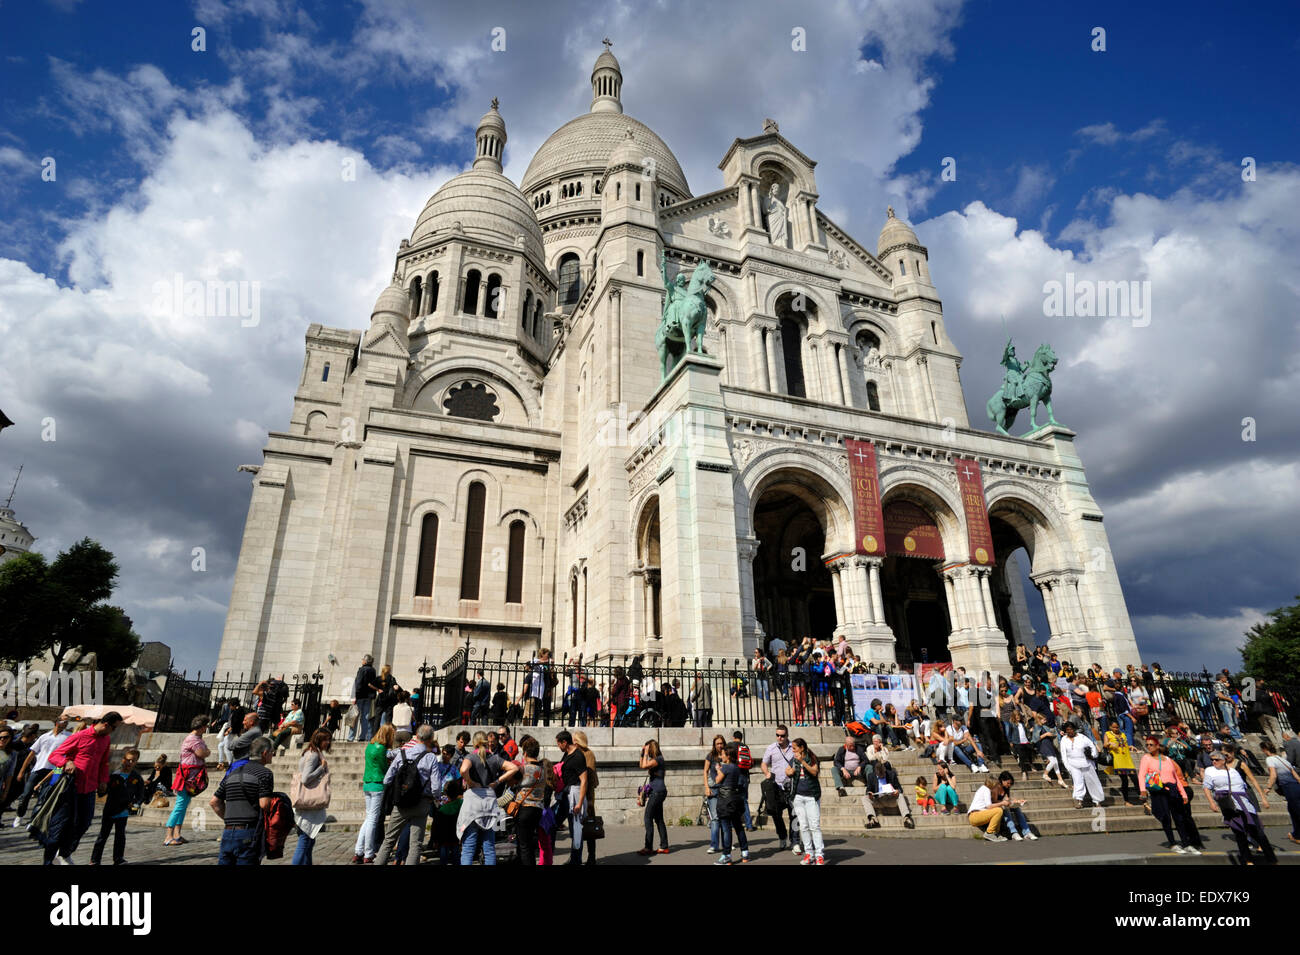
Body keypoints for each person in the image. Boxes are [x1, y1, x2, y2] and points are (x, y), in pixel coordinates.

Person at [39, 712, 122, 865]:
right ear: (106, 725)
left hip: (89, 789)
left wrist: (103, 780)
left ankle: (65, 852)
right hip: (71, 788)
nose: (114, 731)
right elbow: (55, 755)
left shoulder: (106, 739)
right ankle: (48, 860)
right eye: (114, 728)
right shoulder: (80, 736)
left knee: (84, 823)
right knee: (59, 826)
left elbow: (104, 763)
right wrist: (66, 762)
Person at [1203, 749, 1276, 864]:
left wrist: (1262, 798)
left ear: (1224, 760)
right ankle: (1247, 860)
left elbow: (1243, 786)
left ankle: (1271, 858)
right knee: (1239, 833)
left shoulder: (1233, 771)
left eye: (1217, 759)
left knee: (1258, 832)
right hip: (1228, 804)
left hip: (1244, 803)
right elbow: (1206, 787)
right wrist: (1212, 802)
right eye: (1212, 760)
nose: (1214, 761)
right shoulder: (1209, 771)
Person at [457, 731, 518, 866]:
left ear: (474, 743)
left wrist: (470, 782)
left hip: (473, 803)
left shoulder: (471, 757)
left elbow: (463, 770)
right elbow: (513, 768)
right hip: (490, 804)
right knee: (489, 848)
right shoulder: (495, 758)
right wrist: (497, 781)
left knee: (468, 848)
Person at [210, 736, 273, 865]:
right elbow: (264, 803)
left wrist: (229, 820)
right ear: (264, 753)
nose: (273, 754)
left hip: (228, 832)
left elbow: (214, 802)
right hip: (249, 833)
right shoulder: (265, 773)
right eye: (272, 752)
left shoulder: (233, 773)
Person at [1136, 736, 1198, 854]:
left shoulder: (1168, 760)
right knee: (1166, 818)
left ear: (1157, 746)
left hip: (1173, 790)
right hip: (1159, 790)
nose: (1148, 747)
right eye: (1147, 745)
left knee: (1179, 818)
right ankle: (1172, 843)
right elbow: (1142, 775)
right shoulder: (1146, 758)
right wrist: (1143, 790)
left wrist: (1183, 793)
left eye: (1151, 745)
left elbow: (1176, 778)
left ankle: (1186, 843)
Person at [9, 716, 71, 827]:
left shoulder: (68, 737)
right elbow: (31, 754)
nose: (66, 722)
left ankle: (33, 821)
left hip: (56, 770)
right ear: (57, 722)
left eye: (67, 721)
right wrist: (21, 771)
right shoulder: (44, 736)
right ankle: (20, 815)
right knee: (26, 794)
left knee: (45, 796)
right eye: (64, 720)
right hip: (39, 767)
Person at [351, 723, 396, 864]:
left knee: (368, 818)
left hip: (367, 783)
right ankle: (368, 852)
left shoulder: (370, 746)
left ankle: (359, 850)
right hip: (377, 784)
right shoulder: (382, 749)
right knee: (373, 820)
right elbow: (385, 768)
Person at [89, 748, 143, 866]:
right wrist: (101, 788)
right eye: (127, 760)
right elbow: (103, 792)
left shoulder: (137, 777)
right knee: (103, 836)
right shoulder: (114, 775)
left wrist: (135, 804)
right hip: (110, 809)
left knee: (120, 836)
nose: (129, 763)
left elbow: (140, 795)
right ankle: (95, 860)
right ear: (123, 760)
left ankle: (118, 859)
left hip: (123, 811)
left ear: (136, 762)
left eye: (132, 761)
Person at [165, 716, 209, 846]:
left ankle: (177, 834)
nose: (206, 728)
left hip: (191, 777)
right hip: (187, 778)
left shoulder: (196, 739)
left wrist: (205, 752)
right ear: (201, 727)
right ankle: (168, 836)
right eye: (206, 726)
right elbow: (201, 753)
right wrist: (207, 752)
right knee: (180, 806)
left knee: (183, 806)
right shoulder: (193, 740)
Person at [291, 730, 331, 865]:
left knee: (309, 841)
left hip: (308, 804)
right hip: (308, 804)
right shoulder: (314, 755)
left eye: (329, 739)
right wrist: (322, 768)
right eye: (326, 739)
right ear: (319, 740)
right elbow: (306, 778)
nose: (328, 742)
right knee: (304, 841)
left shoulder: (311, 752)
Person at [760, 725, 799, 851]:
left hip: (792, 786)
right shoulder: (771, 748)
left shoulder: (794, 747)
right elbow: (764, 763)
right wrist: (767, 773)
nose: (780, 738)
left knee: (794, 815)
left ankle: (795, 841)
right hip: (776, 786)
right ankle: (782, 837)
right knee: (776, 814)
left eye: (782, 735)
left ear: (787, 735)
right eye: (777, 735)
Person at [786, 737, 824, 865]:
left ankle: (819, 855)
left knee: (815, 826)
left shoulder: (811, 757)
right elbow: (787, 770)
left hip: (811, 796)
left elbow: (814, 772)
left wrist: (802, 761)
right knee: (803, 826)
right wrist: (789, 772)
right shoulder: (794, 759)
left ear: (802, 748)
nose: (793, 750)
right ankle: (809, 853)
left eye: (795, 748)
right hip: (798, 796)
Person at [712, 743, 750, 864]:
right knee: (738, 826)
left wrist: (718, 770)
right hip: (735, 798)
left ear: (728, 756)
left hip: (725, 800)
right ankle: (745, 852)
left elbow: (717, 780)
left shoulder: (726, 767)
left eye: (723, 754)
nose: (721, 756)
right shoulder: (736, 767)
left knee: (726, 828)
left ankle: (726, 855)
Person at [555, 730, 589, 865]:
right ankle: (575, 858)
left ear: (565, 742)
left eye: (559, 743)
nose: (558, 746)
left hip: (574, 794)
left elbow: (584, 781)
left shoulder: (578, 756)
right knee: (568, 827)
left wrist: (579, 803)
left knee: (576, 830)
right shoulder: (567, 753)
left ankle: (576, 860)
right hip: (565, 794)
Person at [1259, 739, 1300, 845]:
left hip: (1288, 787)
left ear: (1264, 750)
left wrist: (1268, 787)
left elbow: (1273, 775)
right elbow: (1297, 777)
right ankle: (1296, 834)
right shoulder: (1283, 760)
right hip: (1296, 786)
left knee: (1297, 811)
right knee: (1292, 810)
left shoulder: (1270, 759)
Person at [634, 739, 669, 856]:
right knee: (659, 819)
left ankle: (648, 847)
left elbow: (644, 766)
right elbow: (641, 765)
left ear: (651, 748)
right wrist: (642, 753)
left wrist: (645, 753)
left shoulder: (657, 760)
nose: (646, 751)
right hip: (658, 791)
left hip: (657, 792)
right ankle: (664, 846)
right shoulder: (657, 759)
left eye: (648, 749)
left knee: (647, 818)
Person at [1060, 722, 1104, 809]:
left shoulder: (1082, 737)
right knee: (1078, 782)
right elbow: (1063, 755)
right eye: (1067, 730)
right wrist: (1068, 767)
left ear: (1074, 729)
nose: (1070, 731)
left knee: (1092, 781)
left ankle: (1097, 801)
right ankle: (1079, 801)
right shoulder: (1064, 740)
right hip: (1073, 764)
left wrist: (1093, 755)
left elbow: (1092, 746)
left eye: (1071, 729)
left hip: (1086, 763)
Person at [863, 759, 915, 829]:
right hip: (878, 800)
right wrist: (870, 793)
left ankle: (907, 819)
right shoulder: (871, 776)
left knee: (901, 796)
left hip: (890, 799)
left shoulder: (891, 774)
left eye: (883, 774)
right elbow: (868, 790)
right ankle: (873, 820)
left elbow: (900, 789)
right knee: (864, 798)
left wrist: (897, 791)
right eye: (879, 775)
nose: (881, 776)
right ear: (875, 772)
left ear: (885, 770)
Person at [967, 773, 1012, 842]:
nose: (997, 787)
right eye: (996, 785)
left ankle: (995, 833)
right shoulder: (986, 790)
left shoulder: (984, 789)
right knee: (998, 810)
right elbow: (989, 806)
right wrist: (1002, 803)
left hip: (976, 815)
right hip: (975, 816)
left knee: (998, 809)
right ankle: (989, 833)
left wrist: (1003, 802)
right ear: (992, 784)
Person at [1105, 720, 1140, 806]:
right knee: (1124, 780)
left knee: (1135, 779)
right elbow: (1105, 745)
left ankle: (1142, 797)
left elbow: (1123, 745)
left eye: (1117, 727)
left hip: (1127, 758)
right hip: (1118, 759)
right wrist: (1110, 743)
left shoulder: (1123, 734)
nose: (1116, 729)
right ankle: (1126, 801)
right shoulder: (1108, 734)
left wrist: (1130, 746)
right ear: (1110, 727)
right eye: (1114, 727)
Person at [702, 734, 726, 853]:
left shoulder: (727, 755)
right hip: (713, 788)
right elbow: (705, 771)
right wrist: (706, 787)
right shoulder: (710, 756)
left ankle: (727, 843)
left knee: (726, 817)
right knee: (715, 818)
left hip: (725, 789)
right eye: (718, 744)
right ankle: (714, 845)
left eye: (721, 743)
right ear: (714, 745)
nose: (720, 746)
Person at [351, 654, 379, 742]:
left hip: (360, 696)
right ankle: (363, 736)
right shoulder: (373, 670)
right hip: (369, 697)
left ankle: (351, 737)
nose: (362, 660)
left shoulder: (362, 670)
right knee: (365, 717)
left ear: (365, 661)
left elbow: (358, 683)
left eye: (363, 659)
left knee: (355, 717)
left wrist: (355, 696)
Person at [832, 732, 869, 796]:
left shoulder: (858, 748)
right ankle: (841, 788)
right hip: (847, 771)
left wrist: (860, 766)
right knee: (834, 769)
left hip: (858, 771)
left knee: (869, 767)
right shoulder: (842, 749)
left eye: (853, 745)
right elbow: (836, 761)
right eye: (850, 746)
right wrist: (843, 769)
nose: (852, 747)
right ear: (846, 745)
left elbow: (866, 760)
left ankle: (870, 786)